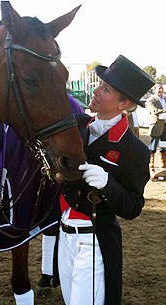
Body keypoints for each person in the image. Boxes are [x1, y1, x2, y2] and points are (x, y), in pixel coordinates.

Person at [54, 55, 155, 305]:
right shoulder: (76, 126)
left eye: (106, 89)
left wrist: (108, 184)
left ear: (125, 103)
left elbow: (132, 207)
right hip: (64, 235)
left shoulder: (135, 150)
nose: (96, 90)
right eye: (100, 84)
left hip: (94, 240)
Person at [145, 84, 166, 176]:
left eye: (162, 88)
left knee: (163, 146)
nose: (161, 90)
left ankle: (163, 164)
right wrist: (165, 110)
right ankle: (151, 166)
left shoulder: (165, 99)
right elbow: (154, 111)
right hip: (156, 126)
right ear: (154, 90)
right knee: (152, 147)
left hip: (165, 126)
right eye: (159, 88)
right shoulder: (151, 100)